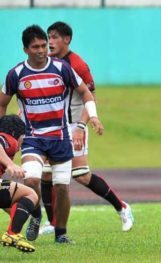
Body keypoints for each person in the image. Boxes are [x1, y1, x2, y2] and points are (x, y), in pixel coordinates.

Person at [0, 25, 104, 244]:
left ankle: (61, 233)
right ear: (25, 49)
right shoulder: (16, 74)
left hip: (60, 137)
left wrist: (92, 116)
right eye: (35, 46)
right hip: (33, 138)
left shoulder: (61, 68)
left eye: (44, 45)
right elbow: (2, 103)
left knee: (62, 187)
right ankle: (36, 215)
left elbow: (85, 92)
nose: (41, 50)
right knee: (32, 179)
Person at [37, 21, 134, 235]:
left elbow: (91, 96)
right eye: (48, 37)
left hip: (74, 125)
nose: (49, 41)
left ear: (67, 39)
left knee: (81, 175)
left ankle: (122, 207)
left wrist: (81, 126)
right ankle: (53, 223)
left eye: (54, 37)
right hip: (52, 126)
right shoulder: (46, 62)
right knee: (45, 174)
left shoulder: (78, 64)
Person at [0, 115, 38, 253]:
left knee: (13, 205)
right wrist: (10, 164)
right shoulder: (8, 139)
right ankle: (12, 234)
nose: (23, 142)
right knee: (30, 193)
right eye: (24, 136)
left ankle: (13, 233)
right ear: (16, 134)